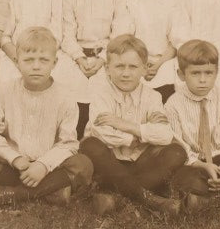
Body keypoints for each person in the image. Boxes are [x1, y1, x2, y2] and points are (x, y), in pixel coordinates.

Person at [0, 26, 94, 207]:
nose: (36, 66)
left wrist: (43, 165)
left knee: (83, 164)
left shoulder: (65, 97)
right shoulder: (4, 91)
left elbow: (68, 143)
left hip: (49, 166)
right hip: (13, 165)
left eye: (43, 60)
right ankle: (51, 192)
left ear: (54, 63)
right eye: (29, 60)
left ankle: (8, 194)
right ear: (17, 62)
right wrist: (15, 158)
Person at [79, 34, 187, 216]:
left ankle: (115, 196)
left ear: (145, 69)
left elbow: (165, 135)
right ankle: (147, 198)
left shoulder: (153, 97)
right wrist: (134, 138)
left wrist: (124, 125)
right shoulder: (100, 94)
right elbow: (102, 133)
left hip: (140, 162)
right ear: (107, 69)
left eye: (133, 67)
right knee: (89, 145)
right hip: (108, 161)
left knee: (177, 152)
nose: (126, 73)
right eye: (119, 66)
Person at [165, 39, 220, 209]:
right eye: (195, 73)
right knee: (185, 178)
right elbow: (179, 145)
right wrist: (203, 166)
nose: (203, 80)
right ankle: (216, 195)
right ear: (181, 74)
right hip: (194, 162)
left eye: (208, 73)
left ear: (217, 72)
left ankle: (211, 195)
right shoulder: (173, 104)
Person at [61, 0, 133, 106]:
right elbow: (67, 34)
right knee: (68, 88)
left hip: (108, 55)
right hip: (76, 56)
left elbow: (120, 33)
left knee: (104, 91)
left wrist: (102, 59)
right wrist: (79, 58)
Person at [123, 0, 181, 100]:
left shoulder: (173, 1)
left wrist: (158, 64)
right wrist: (141, 61)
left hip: (164, 61)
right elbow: (126, 34)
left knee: (165, 88)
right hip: (134, 58)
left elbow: (175, 41)